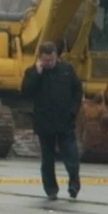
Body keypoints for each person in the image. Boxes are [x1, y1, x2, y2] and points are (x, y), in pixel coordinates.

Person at [21, 41, 83, 200]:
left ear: (56, 57)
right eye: (46, 61)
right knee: (47, 159)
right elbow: (25, 92)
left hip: (65, 121)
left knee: (71, 156)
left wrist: (73, 111)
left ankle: (74, 185)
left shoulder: (66, 71)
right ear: (40, 58)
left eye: (51, 60)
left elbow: (77, 91)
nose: (49, 63)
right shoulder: (32, 72)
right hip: (44, 122)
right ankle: (51, 189)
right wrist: (37, 73)